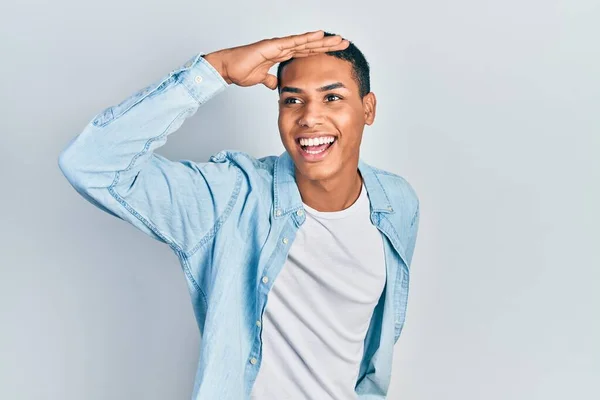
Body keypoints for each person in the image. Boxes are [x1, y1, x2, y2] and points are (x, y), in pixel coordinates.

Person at [58, 30, 420, 400]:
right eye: (293, 100)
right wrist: (218, 70)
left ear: (368, 108)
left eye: (332, 97)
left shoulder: (395, 203)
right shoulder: (230, 197)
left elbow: (370, 350)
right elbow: (90, 163)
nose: (310, 117)